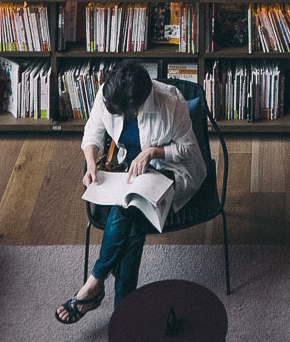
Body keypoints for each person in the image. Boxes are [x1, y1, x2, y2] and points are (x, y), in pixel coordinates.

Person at [55, 61, 205, 323]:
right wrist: (91, 163)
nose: (127, 116)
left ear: (143, 99)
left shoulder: (171, 102)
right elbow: (92, 133)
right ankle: (122, 313)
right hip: (128, 172)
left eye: (132, 112)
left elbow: (189, 150)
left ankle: (95, 283)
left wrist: (153, 152)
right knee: (132, 225)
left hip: (172, 171)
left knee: (127, 208)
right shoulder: (108, 94)